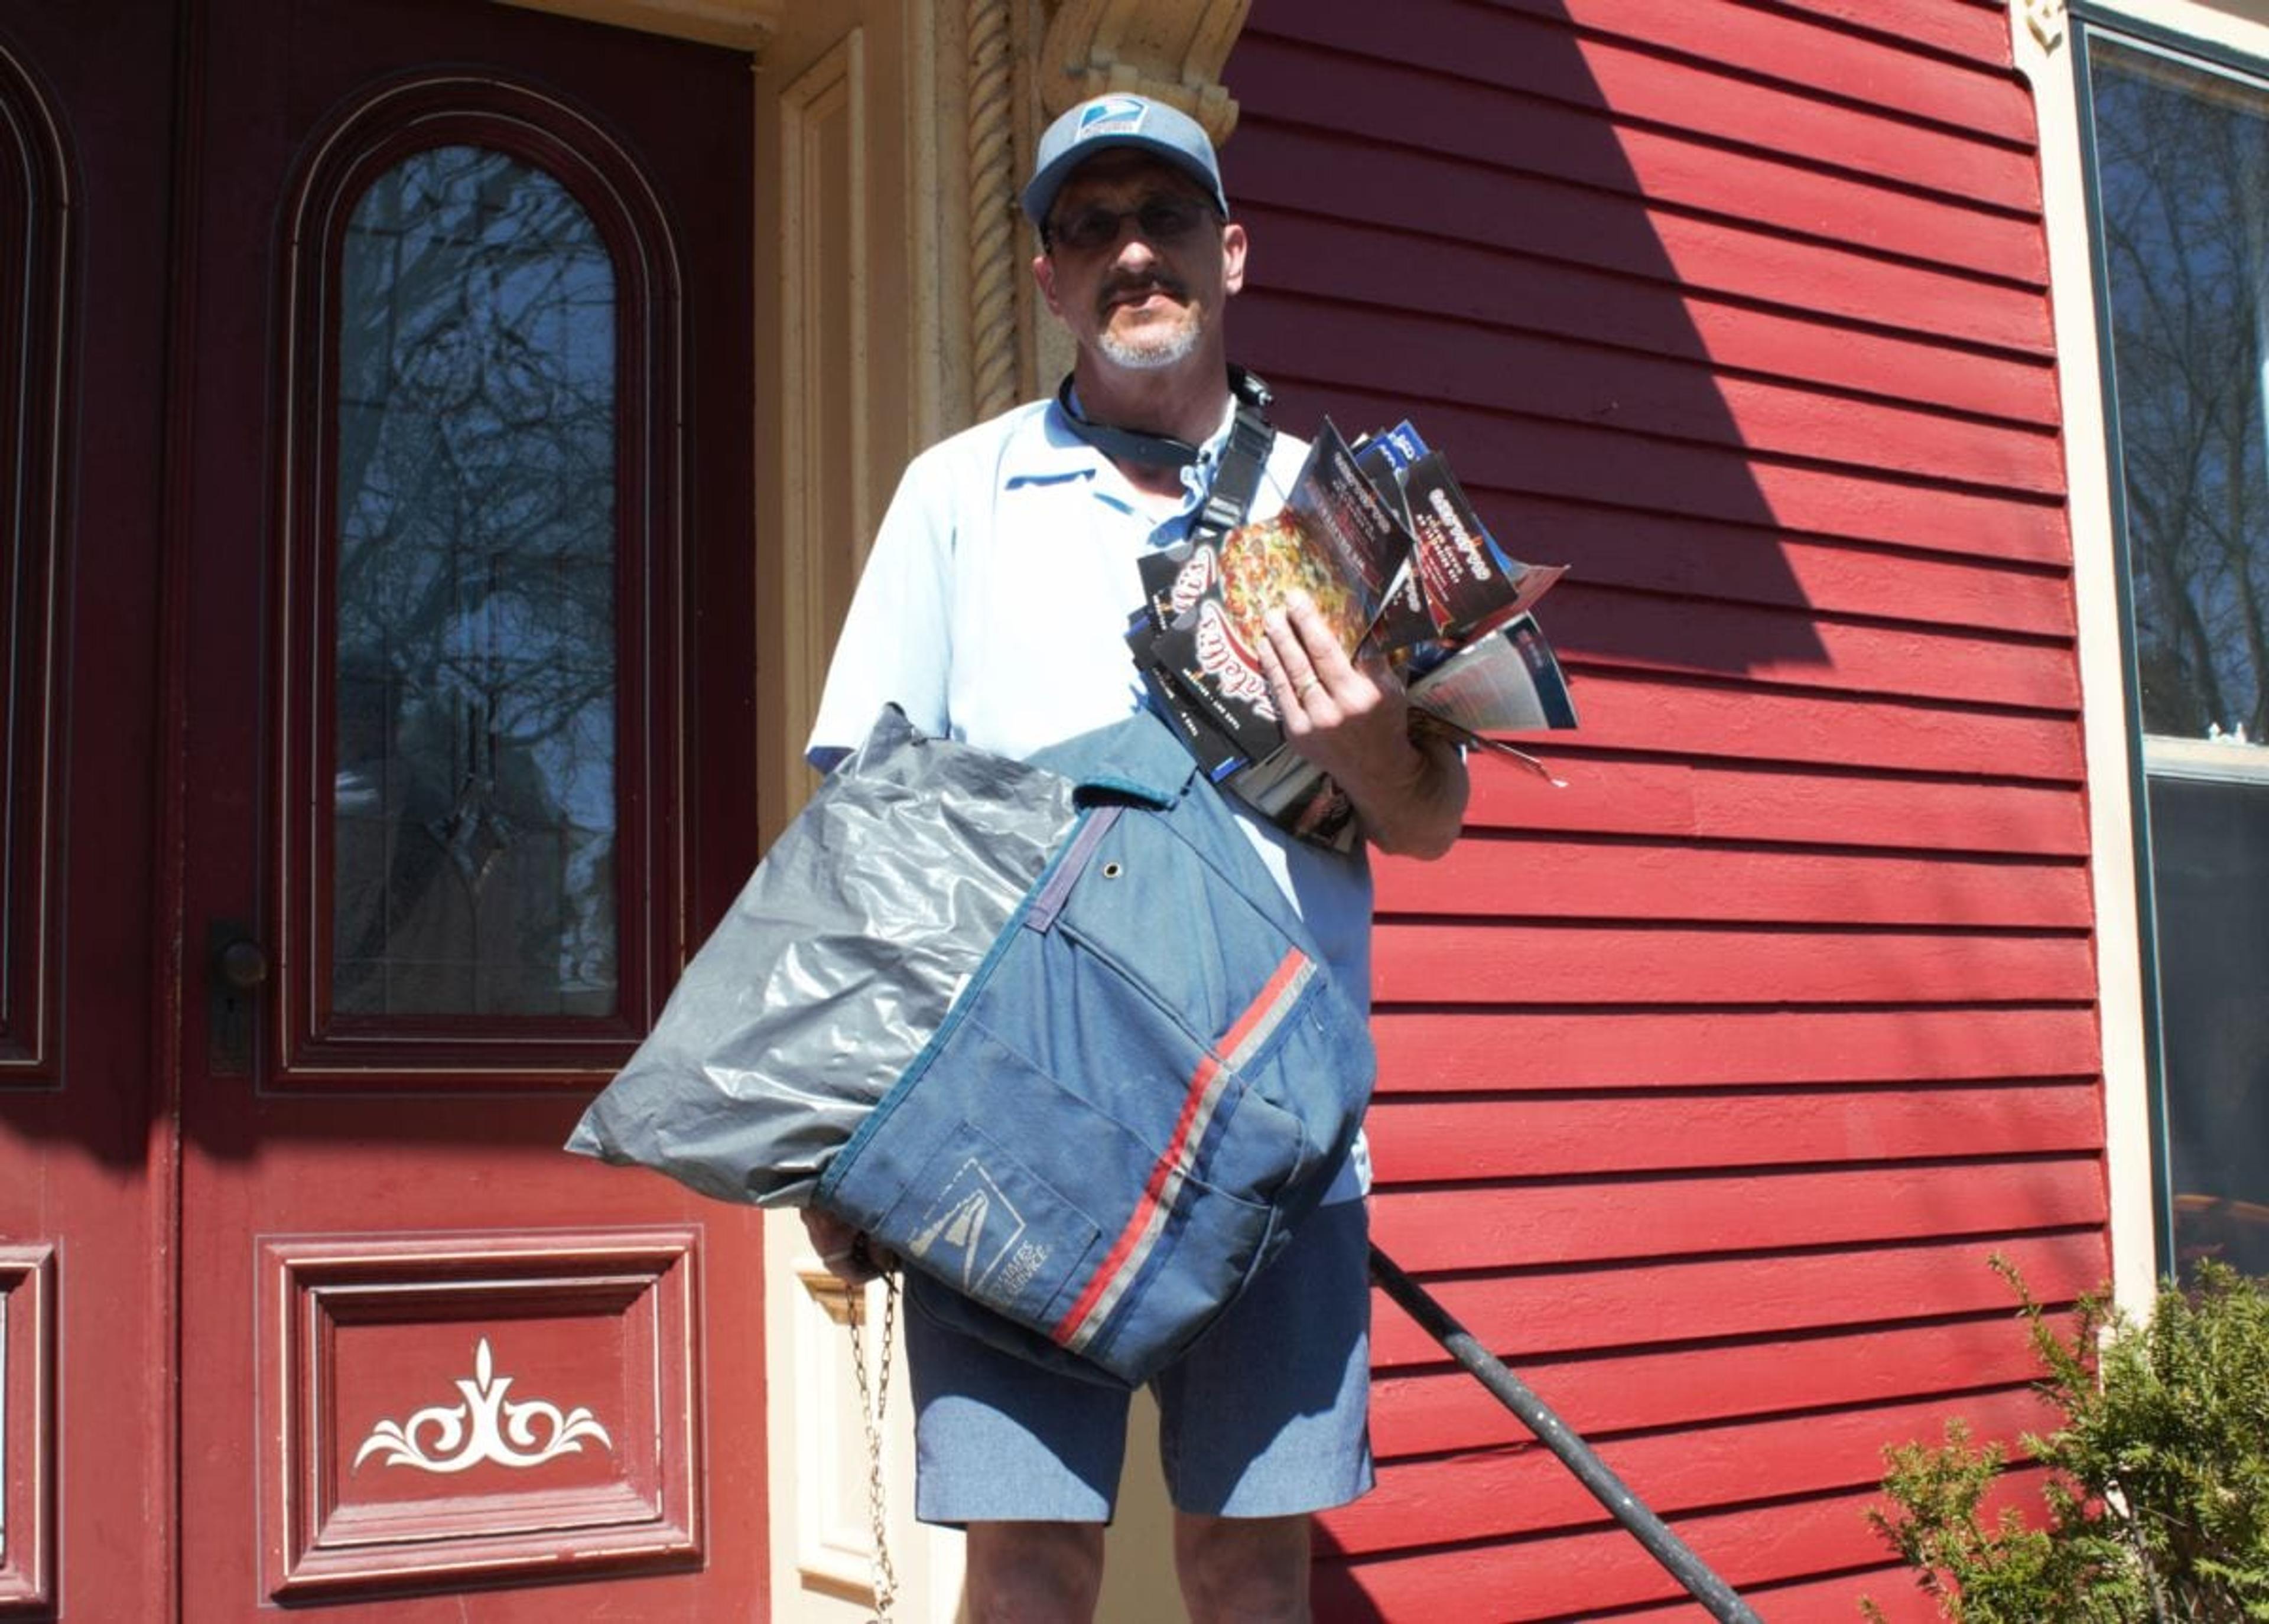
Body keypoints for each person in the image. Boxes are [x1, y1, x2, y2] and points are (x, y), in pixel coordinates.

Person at [800, 92, 1469, 1623]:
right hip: (1014, 1127)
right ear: (1047, 276)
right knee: (1030, 1561)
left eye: (1163, 217)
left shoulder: (1342, 506)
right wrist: (842, 1115)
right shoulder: (956, 496)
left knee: (1248, 1562)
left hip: (1281, 1135)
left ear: (1231, 251)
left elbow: (1427, 818)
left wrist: (1366, 733)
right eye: (1087, 226)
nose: (1132, 253)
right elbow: (873, 829)